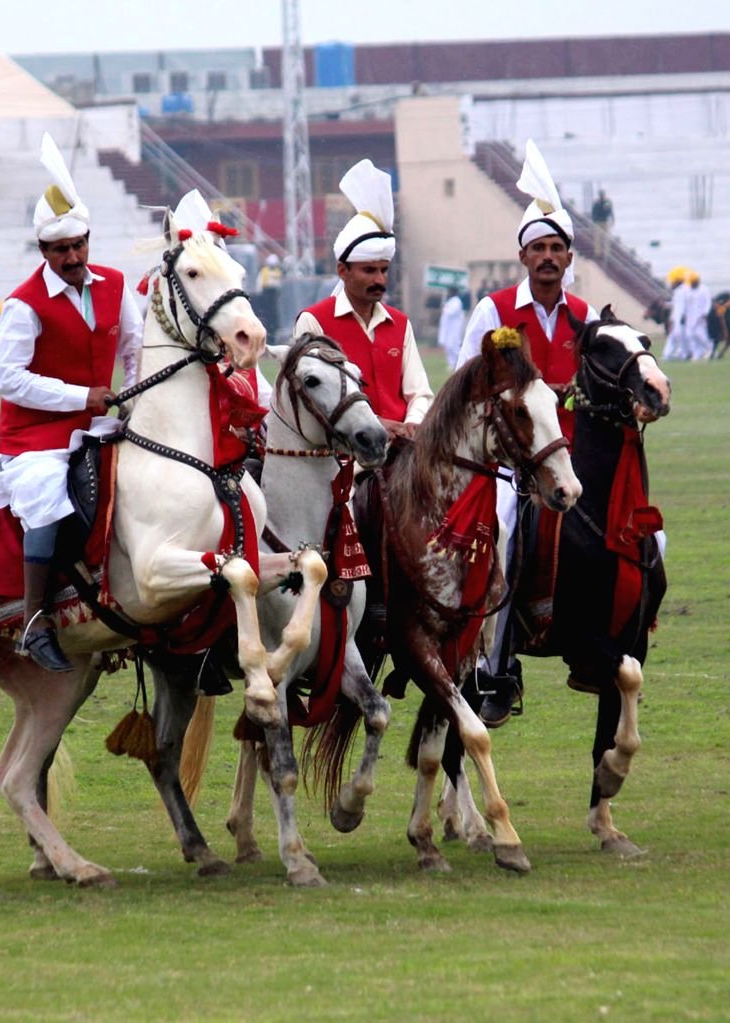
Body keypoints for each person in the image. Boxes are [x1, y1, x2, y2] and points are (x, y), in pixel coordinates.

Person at [0, 132, 142, 672]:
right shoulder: (23, 305)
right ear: (43, 252)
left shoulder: (116, 284)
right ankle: (32, 618)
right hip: (34, 439)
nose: (73, 257)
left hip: (95, 426)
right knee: (48, 497)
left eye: (80, 245)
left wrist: (134, 400)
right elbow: (8, 379)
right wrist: (82, 395)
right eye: (61, 250)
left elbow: (135, 348)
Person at [457, 139, 599, 728]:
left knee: (633, 537)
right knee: (507, 538)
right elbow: (466, 386)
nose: (547, 257)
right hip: (509, 468)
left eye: (556, 248)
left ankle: (601, 646)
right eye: (538, 247)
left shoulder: (585, 317)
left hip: (569, 460)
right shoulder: (493, 312)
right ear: (522, 256)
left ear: (569, 257)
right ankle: (496, 668)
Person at [293, 158, 434, 440]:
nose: (380, 280)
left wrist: (413, 422)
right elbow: (307, 401)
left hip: (402, 455)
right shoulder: (314, 321)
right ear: (343, 271)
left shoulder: (400, 323)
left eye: (383, 270)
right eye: (369, 270)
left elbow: (420, 392)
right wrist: (375, 424)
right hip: (346, 458)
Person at [255, 253, 283, 341]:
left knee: (273, 313)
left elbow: (279, 283)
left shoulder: (277, 271)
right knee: (268, 313)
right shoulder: (264, 271)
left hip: (274, 294)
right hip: (266, 293)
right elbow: (259, 283)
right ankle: (270, 331)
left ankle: (274, 331)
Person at [662, 269, 689, 361]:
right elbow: (676, 304)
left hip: (680, 319)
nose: (671, 283)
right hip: (676, 319)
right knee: (673, 337)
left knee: (680, 337)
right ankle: (667, 355)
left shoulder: (684, 290)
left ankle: (682, 354)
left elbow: (683, 306)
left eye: (672, 281)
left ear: (678, 281)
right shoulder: (678, 291)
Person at [684, 272, 712, 360]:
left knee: (700, 334)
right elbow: (686, 303)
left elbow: (708, 302)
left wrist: (705, 313)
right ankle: (696, 353)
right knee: (689, 335)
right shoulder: (688, 290)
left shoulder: (704, 289)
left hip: (700, 316)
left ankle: (710, 349)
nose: (691, 284)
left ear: (696, 281)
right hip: (690, 316)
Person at [437, 286, 465, 367]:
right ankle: (451, 363)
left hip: (455, 328)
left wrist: (445, 308)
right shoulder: (450, 301)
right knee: (448, 346)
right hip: (448, 329)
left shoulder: (457, 301)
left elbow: (451, 312)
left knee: (454, 346)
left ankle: (461, 361)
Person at [590, 188, 614, 263]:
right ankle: (598, 253)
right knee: (597, 238)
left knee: (606, 238)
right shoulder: (597, 203)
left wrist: (612, 219)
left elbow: (610, 211)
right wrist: (593, 221)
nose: (602, 196)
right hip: (598, 222)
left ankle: (606, 254)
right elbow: (593, 212)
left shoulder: (607, 203)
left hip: (605, 222)